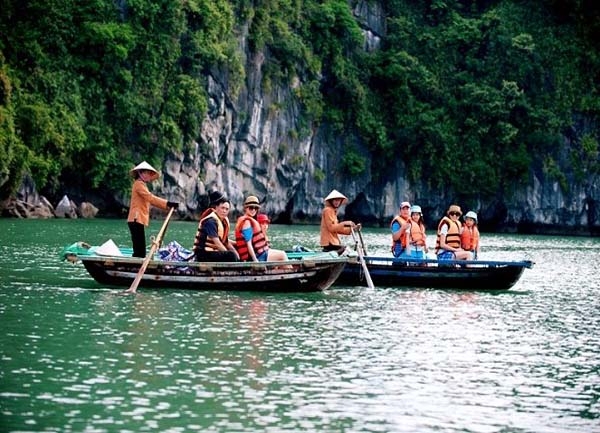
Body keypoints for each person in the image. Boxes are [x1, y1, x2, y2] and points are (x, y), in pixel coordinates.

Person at [127, 161, 179, 258]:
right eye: (146, 173)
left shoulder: (141, 185)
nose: (148, 175)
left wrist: (167, 204)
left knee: (139, 249)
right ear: (140, 173)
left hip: (137, 219)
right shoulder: (139, 184)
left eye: (149, 173)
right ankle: (136, 266)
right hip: (135, 218)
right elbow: (150, 198)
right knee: (139, 250)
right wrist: (167, 204)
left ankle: (136, 263)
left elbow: (150, 199)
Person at [234, 196, 288, 262]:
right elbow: (249, 244)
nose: (253, 210)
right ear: (246, 208)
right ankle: (292, 271)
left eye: (256, 208)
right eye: (251, 208)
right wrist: (255, 260)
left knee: (280, 258)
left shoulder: (249, 220)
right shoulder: (246, 222)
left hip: (260, 253)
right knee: (283, 255)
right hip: (256, 256)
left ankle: (288, 271)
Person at [193, 191, 239, 262]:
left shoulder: (223, 221)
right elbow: (217, 243)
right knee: (231, 255)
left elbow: (226, 242)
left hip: (213, 251)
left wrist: (237, 256)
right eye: (222, 208)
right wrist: (229, 254)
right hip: (203, 253)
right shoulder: (211, 221)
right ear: (216, 207)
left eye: (226, 209)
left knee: (236, 251)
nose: (224, 211)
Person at [320, 189, 360, 253]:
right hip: (329, 242)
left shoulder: (332, 211)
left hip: (332, 242)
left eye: (338, 200)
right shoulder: (328, 210)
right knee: (345, 250)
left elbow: (337, 229)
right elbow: (332, 228)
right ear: (331, 201)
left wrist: (352, 229)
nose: (337, 202)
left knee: (345, 250)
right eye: (335, 200)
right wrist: (345, 223)